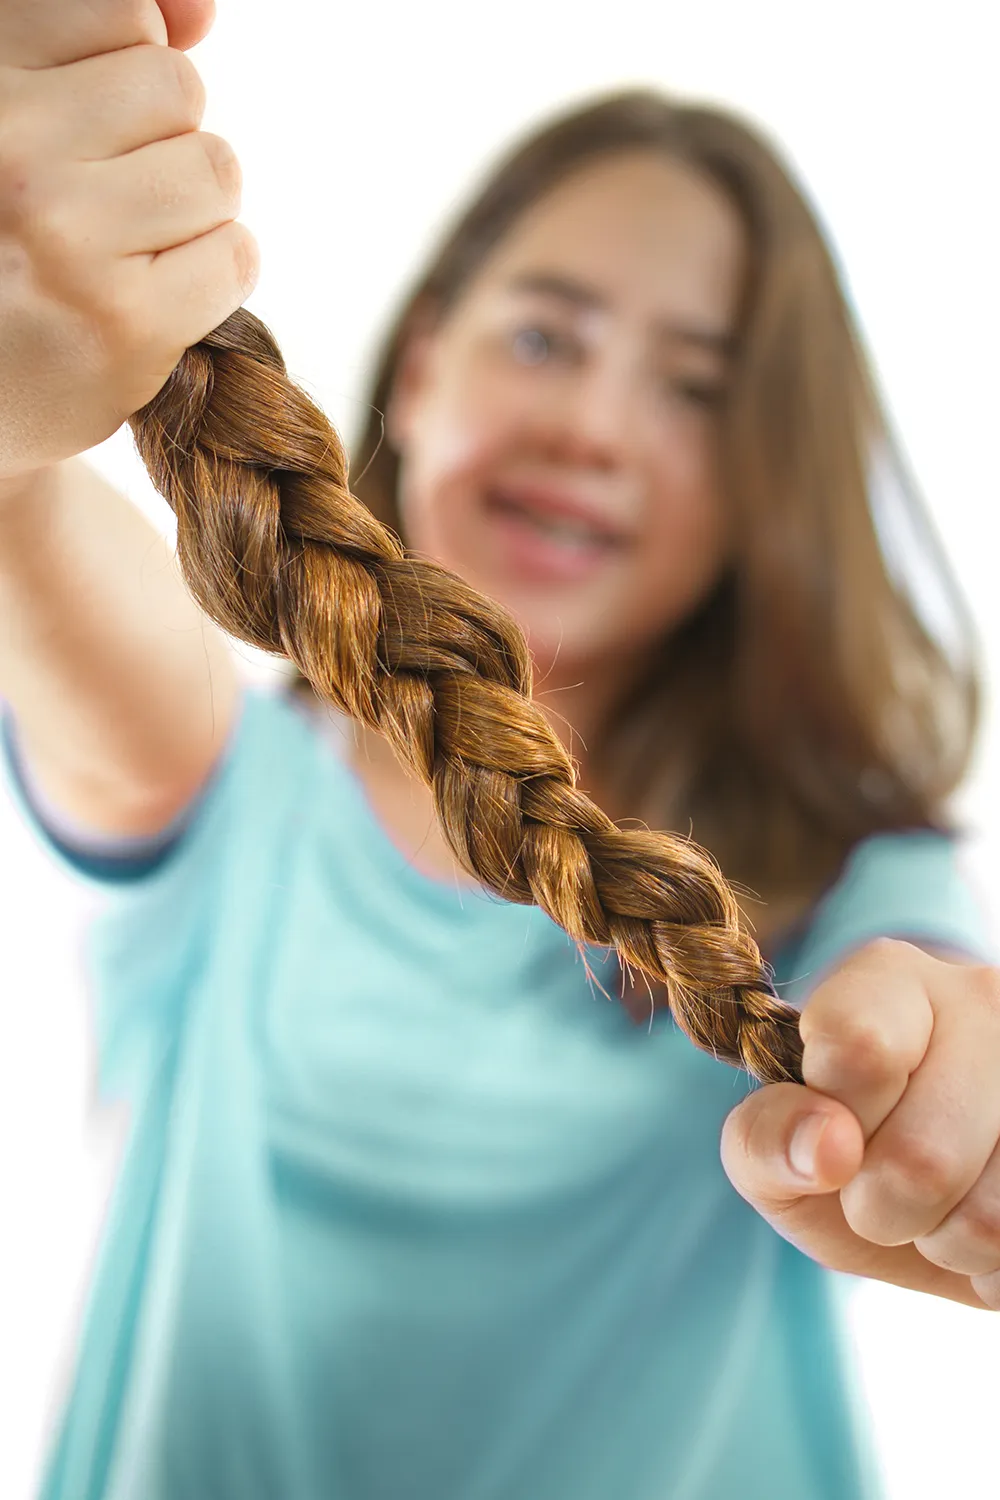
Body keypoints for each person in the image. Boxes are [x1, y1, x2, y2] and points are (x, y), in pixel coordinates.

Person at [1, 4, 998, 1499]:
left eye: (697, 388)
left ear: (758, 487)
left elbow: (937, 1020)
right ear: (424, 359)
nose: (595, 425)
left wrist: (957, 1092)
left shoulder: (844, 882)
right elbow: (33, 528)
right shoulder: (230, 790)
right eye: (545, 334)